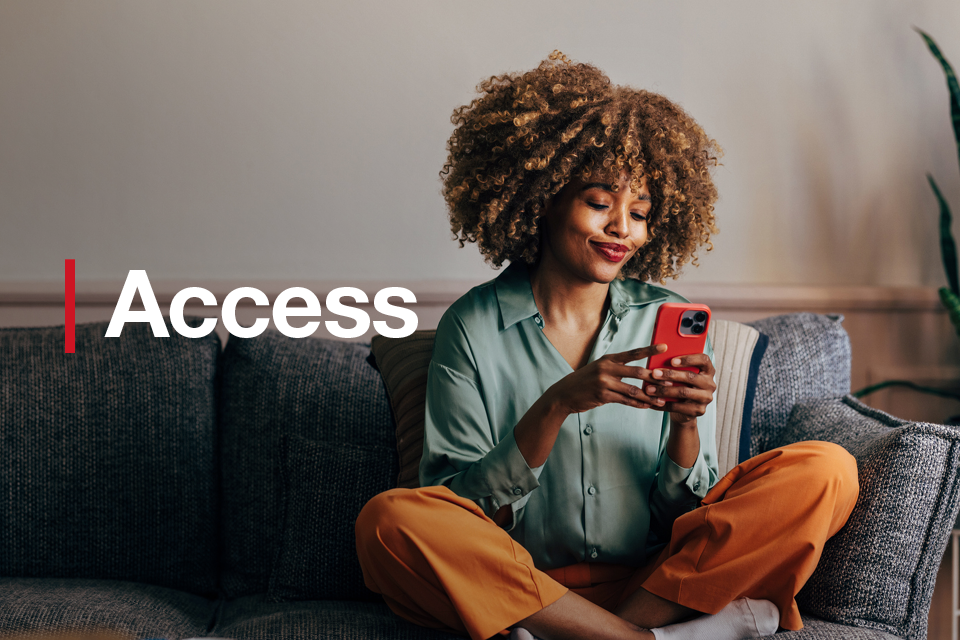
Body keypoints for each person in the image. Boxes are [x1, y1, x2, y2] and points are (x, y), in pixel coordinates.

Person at [356, 51, 859, 640]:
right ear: (543, 199)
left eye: (640, 213)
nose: (624, 229)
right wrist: (556, 405)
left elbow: (689, 521)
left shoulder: (669, 318)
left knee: (828, 468)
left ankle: (611, 633)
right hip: (521, 586)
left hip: (652, 584)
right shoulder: (472, 327)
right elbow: (459, 509)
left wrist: (685, 426)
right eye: (600, 204)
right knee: (389, 520)